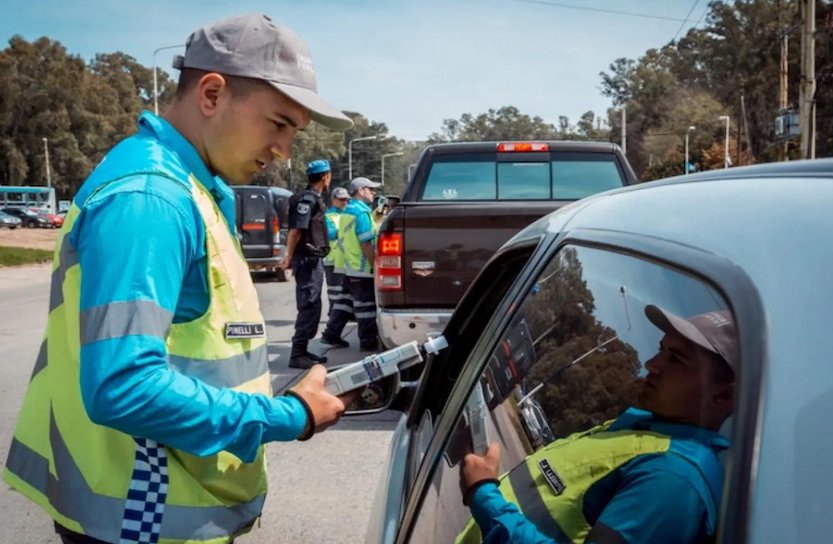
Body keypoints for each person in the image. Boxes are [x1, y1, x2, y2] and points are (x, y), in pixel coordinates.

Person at [3, 14, 356, 544]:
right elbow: (124, 388)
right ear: (211, 94)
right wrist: (287, 415)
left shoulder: (191, 186)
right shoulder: (152, 197)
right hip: (141, 517)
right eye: (279, 124)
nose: (285, 150)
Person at [457, 305, 738, 544]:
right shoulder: (644, 433)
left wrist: (484, 495)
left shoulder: (676, 480)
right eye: (661, 349)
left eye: (676, 359)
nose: (652, 364)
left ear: (723, 395)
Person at [279, 159, 333, 369]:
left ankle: (303, 350)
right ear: (325, 177)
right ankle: (297, 353)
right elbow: (296, 230)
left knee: (313, 304)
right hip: (306, 260)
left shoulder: (314, 198)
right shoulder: (308, 200)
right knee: (308, 304)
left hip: (313, 259)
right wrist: (288, 256)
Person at [339, 177, 382, 351]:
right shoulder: (362, 213)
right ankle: (368, 342)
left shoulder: (348, 210)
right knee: (367, 309)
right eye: (370, 189)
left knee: (355, 305)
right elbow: (366, 243)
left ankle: (334, 334)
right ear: (360, 190)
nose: (374, 193)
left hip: (351, 266)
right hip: (363, 268)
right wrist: (375, 265)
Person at [320, 186, 354, 348]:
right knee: (335, 295)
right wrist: (348, 227)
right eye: (341, 199)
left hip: (346, 260)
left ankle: (336, 324)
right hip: (333, 260)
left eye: (347, 199)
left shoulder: (348, 213)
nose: (344, 202)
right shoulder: (328, 216)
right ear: (333, 199)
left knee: (344, 295)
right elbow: (330, 234)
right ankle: (333, 323)